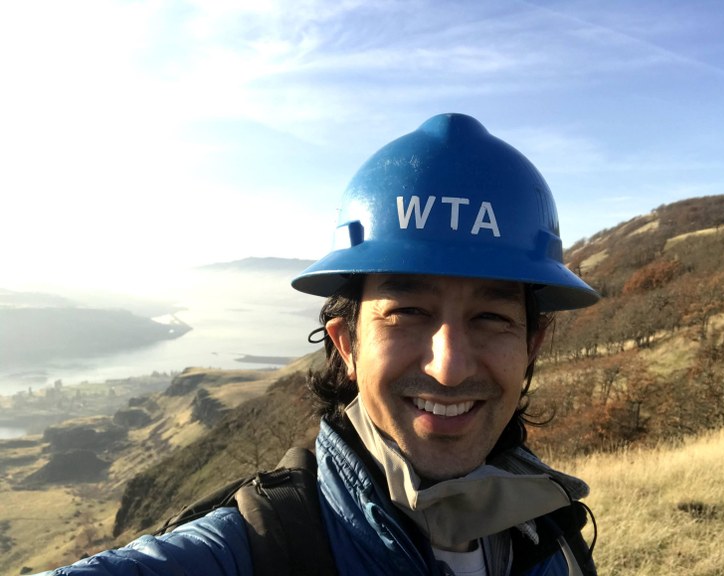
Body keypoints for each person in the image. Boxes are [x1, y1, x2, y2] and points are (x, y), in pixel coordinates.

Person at [40, 113, 600, 575]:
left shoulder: (552, 535)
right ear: (346, 344)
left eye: (490, 317)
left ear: (533, 344)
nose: (449, 367)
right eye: (407, 312)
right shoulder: (254, 550)